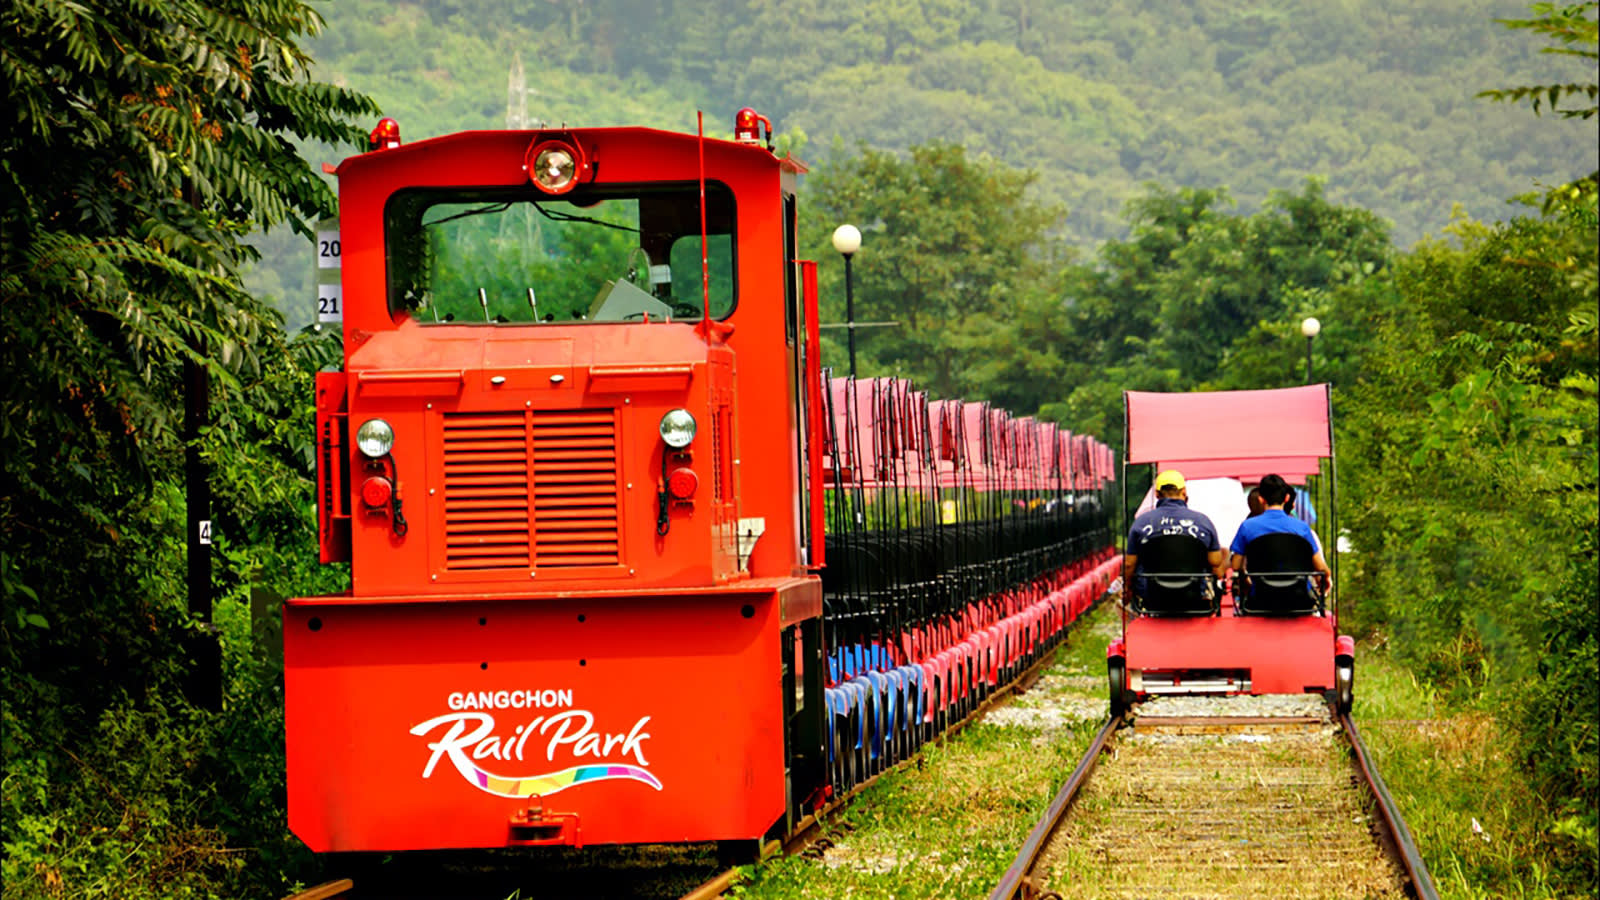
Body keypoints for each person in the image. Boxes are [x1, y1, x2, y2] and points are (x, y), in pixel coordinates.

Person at [1122, 469, 1227, 600]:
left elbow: (1129, 564)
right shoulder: (1203, 522)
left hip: (1152, 597)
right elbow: (1215, 563)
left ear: (1157, 494)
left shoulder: (1141, 523)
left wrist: (1127, 587)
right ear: (1184, 492)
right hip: (1194, 595)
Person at [1230, 473, 1331, 594]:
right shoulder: (1302, 528)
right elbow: (1320, 567)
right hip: (1298, 598)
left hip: (1261, 598)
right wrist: (1325, 578)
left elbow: (1235, 565)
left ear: (1261, 499)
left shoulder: (1247, 527)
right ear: (1287, 498)